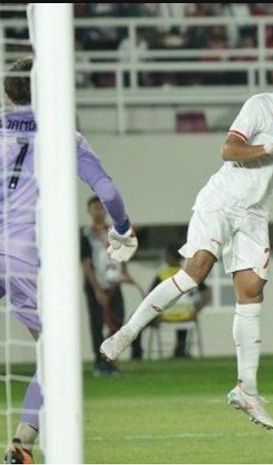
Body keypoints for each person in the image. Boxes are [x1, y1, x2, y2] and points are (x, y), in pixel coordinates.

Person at [100, 72, 273, 431]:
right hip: (221, 200)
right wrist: (269, 147)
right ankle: (126, 333)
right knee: (195, 270)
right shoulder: (261, 106)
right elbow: (228, 150)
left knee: (252, 293)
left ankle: (246, 389)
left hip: (255, 213)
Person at [1, 56, 137, 463]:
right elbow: (107, 191)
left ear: (8, 92)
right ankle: (22, 443)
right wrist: (123, 228)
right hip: (27, 253)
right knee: (52, 349)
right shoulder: (64, 136)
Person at [81, 196, 140, 373]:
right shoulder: (85, 234)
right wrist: (97, 289)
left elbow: (123, 253)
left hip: (114, 284)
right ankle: (99, 362)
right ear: (89, 211)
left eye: (101, 208)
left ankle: (110, 357)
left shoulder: (114, 231)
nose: (99, 211)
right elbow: (85, 262)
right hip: (95, 285)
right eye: (95, 208)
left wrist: (126, 272)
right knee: (97, 322)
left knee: (118, 319)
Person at [132, 245, 211, 359]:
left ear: (168, 257)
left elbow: (150, 298)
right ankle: (180, 350)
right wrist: (196, 311)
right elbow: (207, 294)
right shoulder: (189, 274)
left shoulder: (162, 275)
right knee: (182, 309)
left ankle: (137, 354)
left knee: (135, 318)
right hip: (186, 316)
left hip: (165, 316)